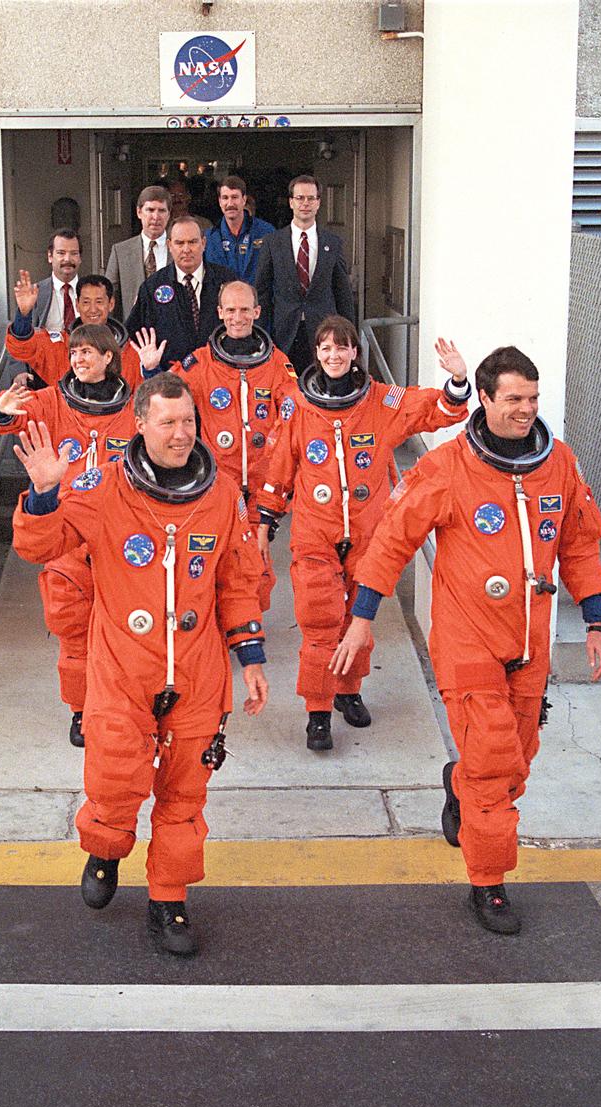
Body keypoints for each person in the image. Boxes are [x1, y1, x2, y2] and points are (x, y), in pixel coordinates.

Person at [331, 346, 601, 935]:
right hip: (467, 640)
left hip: (528, 641)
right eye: (513, 398)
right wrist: (362, 616)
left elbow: (579, 544)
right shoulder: (447, 468)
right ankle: (489, 882)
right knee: (490, 758)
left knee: (516, 761)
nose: (525, 409)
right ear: (484, 398)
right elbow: (391, 540)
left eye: (532, 398)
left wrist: (596, 620)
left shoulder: (558, 463)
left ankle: (460, 788)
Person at [12, 372, 269, 955]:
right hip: (123, 670)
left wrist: (250, 656)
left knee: (185, 795)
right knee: (114, 779)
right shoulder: (102, 488)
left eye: (189, 421)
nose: (181, 434)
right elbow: (38, 546)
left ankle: (168, 900)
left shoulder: (223, 493)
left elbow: (238, 579)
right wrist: (46, 493)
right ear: (140, 424)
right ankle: (105, 849)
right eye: (168, 422)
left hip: (197, 673)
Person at [257, 317, 470, 750]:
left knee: (358, 618)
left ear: (355, 352)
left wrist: (458, 380)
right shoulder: (297, 405)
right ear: (316, 354)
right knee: (320, 621)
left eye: (342, 347)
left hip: (369, 533)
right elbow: (278, 468)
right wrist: (265, 523)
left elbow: (434, 410)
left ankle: (348, 690)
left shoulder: (380, 402)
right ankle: (318, 711)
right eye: (326, 347)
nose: (333, 355)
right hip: (315, 533)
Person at [0, 324, 137, 748]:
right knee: (73, 631)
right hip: (67, 537)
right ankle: (81, 710)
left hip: (118, 538)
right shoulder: (52, 402)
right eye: (74, 353)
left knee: (126, 630)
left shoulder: (132, 408)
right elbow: (3, 421)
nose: (78, 359)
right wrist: (3, 407)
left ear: (108, 357)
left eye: (88, 352)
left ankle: (118, 704)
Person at [131, 280, 297, 611]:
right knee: (213, 560)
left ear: (257, 312)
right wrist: (151, 369)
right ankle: (215, 624)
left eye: (245, 310)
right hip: (218, 484)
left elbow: (294, 414)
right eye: (231, 310)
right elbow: (167, 397)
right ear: (220, 313)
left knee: (257, 568)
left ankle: (246, 625)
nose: (238, 317)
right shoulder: (200, 363)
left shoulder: (277, 363)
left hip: (262, 487)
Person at [255, 175, 355, 374]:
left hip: (323, 335)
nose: (305, 203)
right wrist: (259, 334)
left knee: (321, 385)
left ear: (318, 203)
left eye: (311, 198)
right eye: (300, 198)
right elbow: (262, 292)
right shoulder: (272, 242)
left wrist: (349, 338)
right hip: (284, 332)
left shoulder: (333, 243)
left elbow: (343, 294)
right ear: (291, 202)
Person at [125, 217, 236, 370]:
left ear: (203, 243)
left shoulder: (228, 281)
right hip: (170, 377)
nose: (186, 249)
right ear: (169, 245)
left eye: (192, 242)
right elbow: (133, 335)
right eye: (179, 243)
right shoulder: (152, 287)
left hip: (219, 373)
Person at [6, 272, 143, 392]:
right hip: (68, 412)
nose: (93, 309)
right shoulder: (59, 346)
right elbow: (23, 347)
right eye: (86, 302)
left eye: (99, 302)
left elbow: (143, 399)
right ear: (77, 305)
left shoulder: (132, 352)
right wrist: (24, 315)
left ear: (111, 304)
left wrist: (150, 369)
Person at [105, 185, 172, 320]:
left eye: (161, 210)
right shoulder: (121, 251)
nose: (156, 217)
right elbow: (108, 295)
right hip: (133, 327)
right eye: (150, 210)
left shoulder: (179, 248)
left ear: (169, 214)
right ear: (139, 212)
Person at [204, 175, 276, 284]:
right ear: (219, 202)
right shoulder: (209, 238)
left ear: (244, 199)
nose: (230, 203)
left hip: (257, 295)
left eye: (234, 197)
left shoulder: (266, 232)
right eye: (225, 198)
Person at [30, 229, 83, 331]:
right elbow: (22, 335)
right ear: (50, 256)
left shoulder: (91, 291)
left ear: (80, 258)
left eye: (74, 253)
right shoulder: (36, 292)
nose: (67, 259)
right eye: (61, 253)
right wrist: (23, 313)